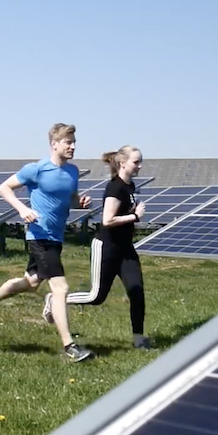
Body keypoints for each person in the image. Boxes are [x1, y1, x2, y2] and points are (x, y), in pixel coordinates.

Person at [0, 123, 94, 362]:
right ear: (54, 144)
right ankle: (69, 345)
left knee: (31, 282)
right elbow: (4, 188)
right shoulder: (36, 170)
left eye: (74, 142)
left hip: (56, 237)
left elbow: (68, 200)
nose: (72, 146)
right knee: (60, 288)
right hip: (39, 236)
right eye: (68, 142)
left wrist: (79, 203)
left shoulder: (72, 172)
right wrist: (22, 209)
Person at [64, 146, 151, 349]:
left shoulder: (130, 187)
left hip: (125, 248)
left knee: (137, 291)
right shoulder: (115, 188)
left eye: (140, 161)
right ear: (123, 163)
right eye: (136, 162)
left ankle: (139, 339)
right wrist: (135, 216)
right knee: (96, 297)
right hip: (107, 247)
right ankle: (57, 300)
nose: (140, 166)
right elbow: (107, 220)